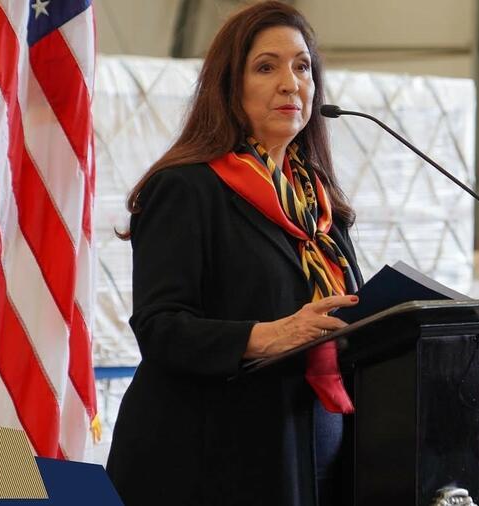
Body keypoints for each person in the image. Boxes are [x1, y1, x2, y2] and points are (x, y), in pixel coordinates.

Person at [105, 2, 363, 505]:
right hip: (208, 458)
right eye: (266, 67)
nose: (291, 83)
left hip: (314, 445)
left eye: (302, 66)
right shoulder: (186, 188)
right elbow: (160, 328)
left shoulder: (321, 205)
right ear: (229, 85)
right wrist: (269, 336)